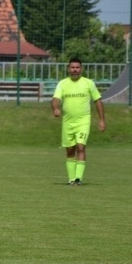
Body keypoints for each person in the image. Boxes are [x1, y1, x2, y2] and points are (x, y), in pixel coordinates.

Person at [51, 57, 106, 185]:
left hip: (83, 121)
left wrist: (102, 120)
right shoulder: (62, 84)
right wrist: (55, 109)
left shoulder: (89, 83)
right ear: (68, 69)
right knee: (70, 150)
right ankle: (71, 179)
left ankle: (78, 179)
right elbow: (55, 99)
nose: (75, 70)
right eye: (72, 67)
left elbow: (97, 101)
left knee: (81, 147)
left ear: (81, 69)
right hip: (68, 122)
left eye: (77, 67)